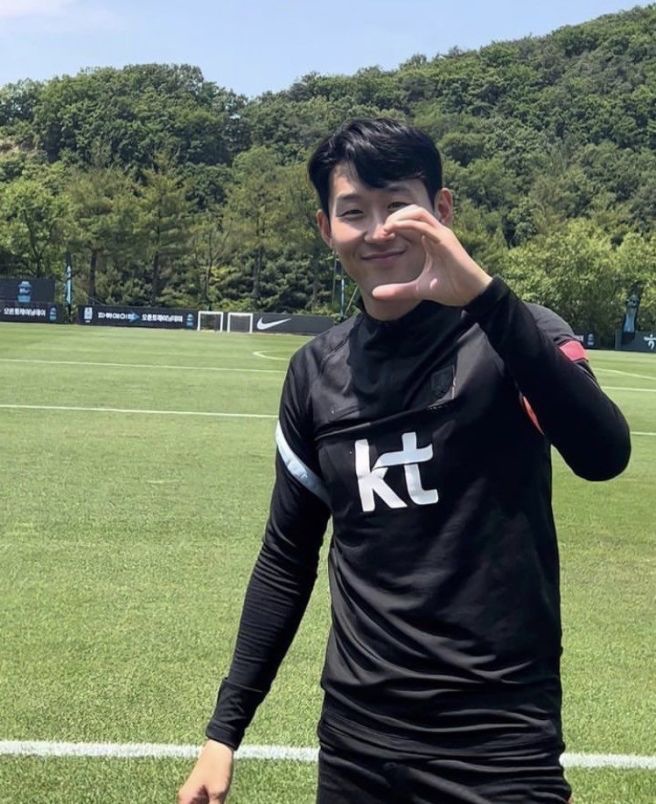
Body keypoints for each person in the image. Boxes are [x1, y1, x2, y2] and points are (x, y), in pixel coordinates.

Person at [178, 118, 631, 804]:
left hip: (499, 743)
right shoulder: (315, 373)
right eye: (354, 212)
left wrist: (486, 299)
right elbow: (287, 558)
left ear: (441, 210)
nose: (379, 230)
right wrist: (223, 732)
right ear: (326, 229)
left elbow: (603, 454)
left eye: (399, 206)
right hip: (357, 745)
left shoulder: (518, 332)